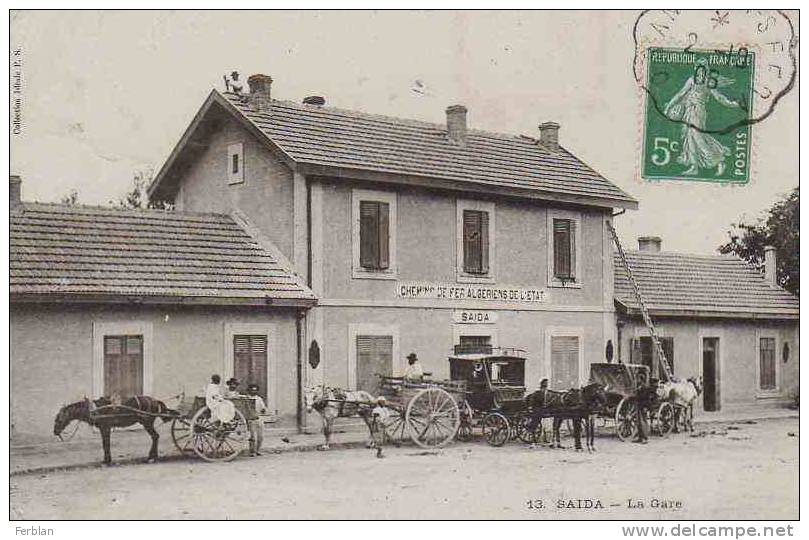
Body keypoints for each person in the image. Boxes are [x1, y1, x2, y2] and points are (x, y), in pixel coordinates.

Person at [633, 377, 659, 444]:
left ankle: (645, 438)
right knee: (639, 422)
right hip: (639, 406)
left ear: (641, 380)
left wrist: (646, 407)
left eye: (638, 379)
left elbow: (647, 399)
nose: (637, 380)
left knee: (643, 422)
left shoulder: (645, 388)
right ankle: (640, 437)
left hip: (643, 406)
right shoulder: (639, 387)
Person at [246, 383, 268, 456]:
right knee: (253, 436)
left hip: (259, 418)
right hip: (251, 419)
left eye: (255, 390)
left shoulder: (259, 399)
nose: (253, 391)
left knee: (260, 436)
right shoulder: (247, 399)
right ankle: (252, 451)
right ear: (249, 390)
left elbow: (263, 408)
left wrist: (263, 410)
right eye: (252, 390)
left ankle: (258, 450)